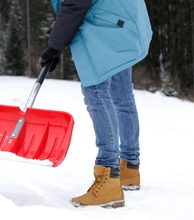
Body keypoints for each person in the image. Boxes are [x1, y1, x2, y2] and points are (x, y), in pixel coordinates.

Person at [40, 0, 152, 208]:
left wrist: (55, 46)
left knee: (96, 91)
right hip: (120, 23)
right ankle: (128, 168)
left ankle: (108, 177)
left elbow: (75, 5)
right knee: (122, 94)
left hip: (108, 25)